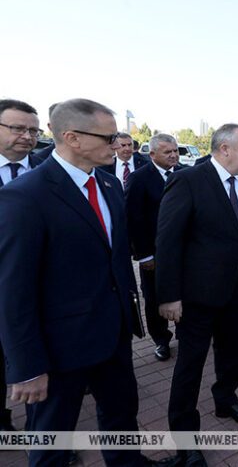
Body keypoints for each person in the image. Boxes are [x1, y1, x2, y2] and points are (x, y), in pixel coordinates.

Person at [0, 98, 152, 466]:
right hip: (58, 350)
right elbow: (12, 291)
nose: (117, 145)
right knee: (53, 442)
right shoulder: (24, 197)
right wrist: (27, 367)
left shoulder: (111, 184)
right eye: (109, 137)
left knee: (121, 420)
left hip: (113, 335)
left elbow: (114, 259)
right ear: (72, 138)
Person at [156, 123, 238, 467]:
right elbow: (168, 241)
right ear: (224, 149)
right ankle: (186, 441)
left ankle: (226, 400)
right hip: (196, 296)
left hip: (236, 289)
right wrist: (168, 296)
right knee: (190, 366)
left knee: (231, 352)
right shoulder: (189, 181)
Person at [0, 99, 44, 433]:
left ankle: (46, 433)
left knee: (41, 370)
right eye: (17, 128)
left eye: (33, 129)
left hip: (41, 294)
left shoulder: (49, 169)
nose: (27, 136)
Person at [125, 133, 182, 362]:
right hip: (154, 254)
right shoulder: (139, 179)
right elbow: (133, 218)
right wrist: (144, 255)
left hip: (183, 252)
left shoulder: (185, 174)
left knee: (184, 294)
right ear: (152, 154)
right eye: (167, 152)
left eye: (175, 151)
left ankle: (183, 334)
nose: (173, 155)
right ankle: (161, 340)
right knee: (155, 298)